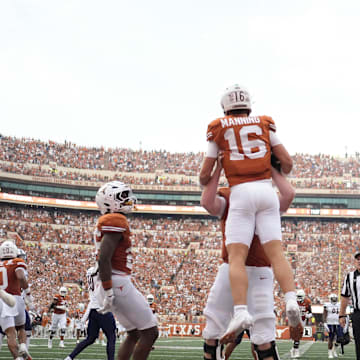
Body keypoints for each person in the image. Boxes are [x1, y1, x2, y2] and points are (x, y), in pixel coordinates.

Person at [199, 84, 300, 342]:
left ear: (225, 107)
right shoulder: (265, 123)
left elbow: (203, 178)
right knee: (277, 252)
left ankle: (241, 311)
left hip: (240, 192)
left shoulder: (218, 127)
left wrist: (221, 165)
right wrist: (269, 166)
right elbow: (287, 165)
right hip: (266, 190)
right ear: (248, 106)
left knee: (235, 256)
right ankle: (291, 299)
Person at [201, 154, 296, 360]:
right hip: (258, 270)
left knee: (213, 333)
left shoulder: (231, 195)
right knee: (263, 339)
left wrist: (217, 167)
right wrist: (272, 169)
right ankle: (291, 298)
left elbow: (207, 202)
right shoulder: (267, 197)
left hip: (235, 269)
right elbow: (288, 194)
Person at [95, 181, 159, 360]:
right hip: (116, 281)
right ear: (109, 201)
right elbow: (104, 259)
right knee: (150, 332)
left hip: (113, 281)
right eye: (122, 196)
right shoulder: (116, 219)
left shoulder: (112, 220)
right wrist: (108, 290)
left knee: (134, 334)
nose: (127, 199)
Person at [64, 265, 116, 360]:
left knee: (90, 338)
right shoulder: (100, 272)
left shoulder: (89, 272)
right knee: (111, 337)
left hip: (93, 310)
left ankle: (70, 357)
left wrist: (84, 319)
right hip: (102, 308)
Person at [0, 240, 32, 360]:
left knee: (10, 334)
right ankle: (23, 345)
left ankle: (17, 358)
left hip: (2, 300)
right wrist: (28, 293)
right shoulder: (17, 261)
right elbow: (20, 276)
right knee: (21, 328)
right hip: (16, 298)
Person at [339, 251, 360, 359]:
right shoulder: (350, 277)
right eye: (358, 259)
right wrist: (341, 315)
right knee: (358, 343)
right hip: (357, 314)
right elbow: (344, 297)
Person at [290, 289, 312, 358]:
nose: (299, 298)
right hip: (295, 320)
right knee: (296, 335)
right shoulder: (294, 301)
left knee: (299, 335)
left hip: (303, 320)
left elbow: (310, 312)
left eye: (300, 296)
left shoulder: (307, 301)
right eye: (298, 296)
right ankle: (296, 350)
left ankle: (294, 349)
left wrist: (308, 315)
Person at [323, 293, 343, 358]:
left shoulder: (339, 304)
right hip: (330, 323)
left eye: (335, 299)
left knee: (340, 338)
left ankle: (334, 350)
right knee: (331, 338)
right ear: (330, 299)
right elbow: (324, 314)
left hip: (338, 323)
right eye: (333, 299)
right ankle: (330, 352)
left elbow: (343, 313)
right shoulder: (327, 305)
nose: (334, 300)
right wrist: (325, 323)